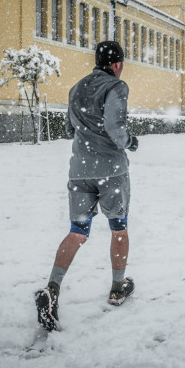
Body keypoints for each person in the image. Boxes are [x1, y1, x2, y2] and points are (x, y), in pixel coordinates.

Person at [35, 41, 139, 332]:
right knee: (118, 229)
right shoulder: (116, 87)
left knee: (77, 232)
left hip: (80, 172)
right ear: (117, 65)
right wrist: (130, 141)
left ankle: (52, 289)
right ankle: (118, 287)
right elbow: (116, 129)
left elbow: (69, 129)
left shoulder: (77, 88)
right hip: (111, 173)